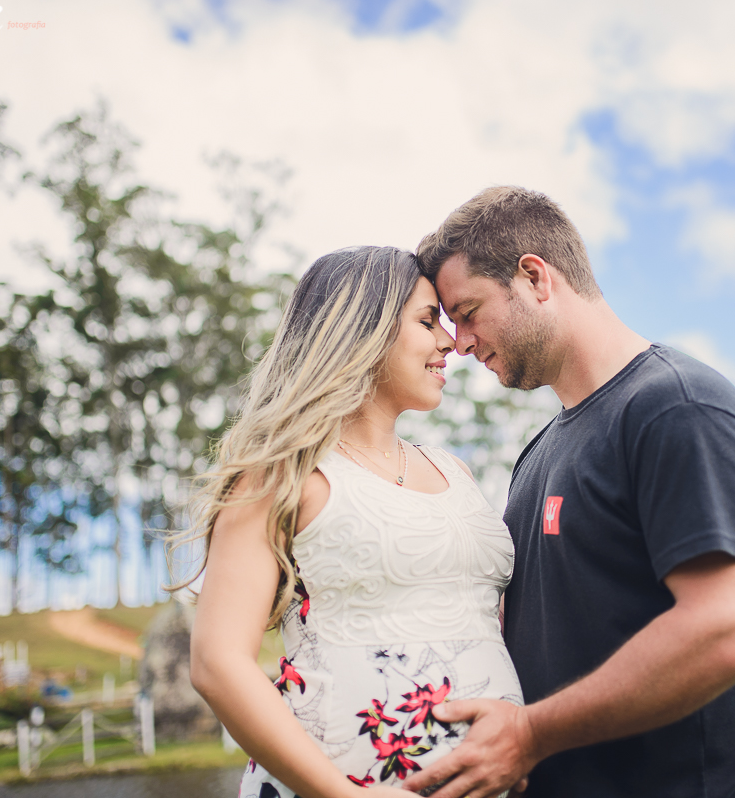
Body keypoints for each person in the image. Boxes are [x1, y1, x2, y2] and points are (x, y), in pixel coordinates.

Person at [404, 187, 735, 798]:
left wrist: (529, 735)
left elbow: (732, 629)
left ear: (534, 277)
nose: (462, 342)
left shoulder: (678, 407)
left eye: (468, 311)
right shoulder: (537, 455)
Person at [169, 246, 523, 798]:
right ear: (364, 330)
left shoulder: (456, 472)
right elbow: (217, 662)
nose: (450, 342)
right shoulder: (281, 475)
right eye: (427, 321)